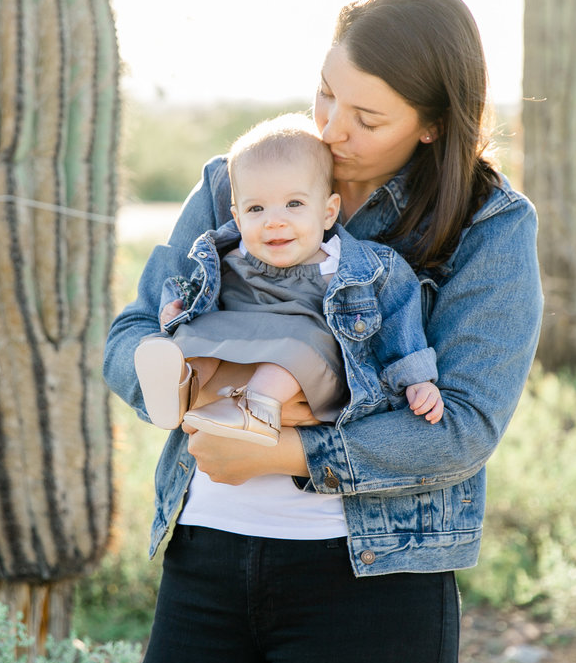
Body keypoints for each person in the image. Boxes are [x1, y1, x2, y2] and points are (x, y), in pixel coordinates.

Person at [104, 0, 543, 663]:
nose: (333, 128)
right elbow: (133, 331)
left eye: (367, 117)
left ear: (430, 125)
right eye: (325, 94)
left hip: (368, 584)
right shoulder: (238, 182)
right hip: (204, 560)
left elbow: (464, 426)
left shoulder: (489, 226)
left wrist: (290, 446)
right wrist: (196, 393)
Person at [133, 113, 443, 449]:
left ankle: (256, 409)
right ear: (237, 217)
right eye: (256, 209)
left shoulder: (358, 268)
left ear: (328, 212)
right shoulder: (227, 255)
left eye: (294, 204)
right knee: (195, 335)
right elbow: (193, 290)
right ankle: (180, 389)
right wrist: (175, 312)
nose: (274, 222)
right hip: (237, 350)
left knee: (302, 345)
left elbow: (399, 317)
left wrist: (415, 379)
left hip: (309, 367)